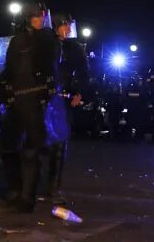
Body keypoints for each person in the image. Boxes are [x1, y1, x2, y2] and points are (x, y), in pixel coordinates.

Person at [0, 2, 59, 212]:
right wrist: (2, 88)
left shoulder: (47, 39)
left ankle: (27, 197)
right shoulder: (17, 41)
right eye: (34, 17)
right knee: (7, 146)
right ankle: (15, 188)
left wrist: (47, 93)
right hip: (17, 98)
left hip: (35, 98)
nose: (38, 20)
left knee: (32, 151)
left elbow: (52, 67)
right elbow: (10, 68)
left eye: (40, 17)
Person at [46, 12, 87, 205]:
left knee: (60, 146)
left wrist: (79, 93)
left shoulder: (75, 49)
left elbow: (83, 73)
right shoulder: (46, 45)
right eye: (65, 26)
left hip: (63, 101)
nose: (69, 30)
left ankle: (53, 187)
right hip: (44, 100)